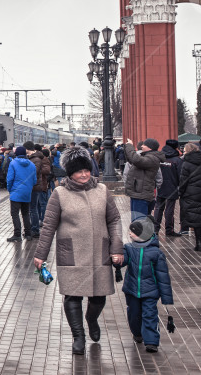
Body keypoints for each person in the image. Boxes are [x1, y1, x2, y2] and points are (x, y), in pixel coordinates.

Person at [33, 146, 124, 355]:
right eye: (78, 171)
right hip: (71, 252)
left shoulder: (102, 190)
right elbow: (48, 226)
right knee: (73, 297)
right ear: (70, 173)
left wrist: (116, 247)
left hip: (99, 252)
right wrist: (40, 255)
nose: (83, 174)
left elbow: (114, 219)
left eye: (86, 170)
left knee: (98, 296)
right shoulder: (60, 193)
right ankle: (78, 336)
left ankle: (91, 319)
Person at [113, 216, 173, 353]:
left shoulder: (156, 253)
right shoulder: (129, 248)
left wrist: (166, 298)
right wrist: (117, 261)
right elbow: (124, 261)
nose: (129, 233)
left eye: (133, 231)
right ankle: (137, 333)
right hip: (132, 290)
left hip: (150, 292)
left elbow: (163, 277)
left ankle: (151, 341)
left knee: (150, 314)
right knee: (134, 314)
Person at [124, 138, 165, 221]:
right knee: (138, 221)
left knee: (139, 222)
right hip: (139, 193)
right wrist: (127, 148)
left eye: (144, 145)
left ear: (150, 147)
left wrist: (130, 146)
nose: (142, 146)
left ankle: (145, 234)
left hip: (141, 194)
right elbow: (132, 159)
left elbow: (136, 160)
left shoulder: (152, 158)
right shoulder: (148, 157)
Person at [6, 146, 36, 242]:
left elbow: (10, 179)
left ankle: (17, 235)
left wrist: (10, 189)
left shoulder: (13, 163)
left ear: (17, 154)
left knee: (15, 214)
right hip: (27, 193)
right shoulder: (32, 165)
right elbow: (34, 180)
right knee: (26, 213)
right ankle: (28, 234)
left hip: (16, 192)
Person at [155, 139, 184, 237]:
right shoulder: (177, 160)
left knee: (158, 208)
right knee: (169, 209)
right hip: (172, 188)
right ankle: (169, 230)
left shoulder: (159, 158)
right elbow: (181, 176)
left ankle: (155, 229)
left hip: (160, 186)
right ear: (176, 147)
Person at [179, 142, 201, 251]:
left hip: (191, 193)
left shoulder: (186, 163)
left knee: (196, 217)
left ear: (188, 151)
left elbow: (183, 181)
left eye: (184, 151)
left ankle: (199, 242)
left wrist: (181, 192)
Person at [25, 142, 52, 237]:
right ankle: (34, 226)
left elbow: (41, 171)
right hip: (36, 185)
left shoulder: (38, 159)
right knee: (34, 208)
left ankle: (36, 228)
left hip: (37, 185)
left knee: (35, 207)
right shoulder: (34, 158)